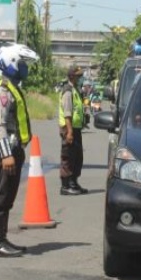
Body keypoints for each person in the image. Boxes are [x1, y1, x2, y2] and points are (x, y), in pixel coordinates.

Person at [0, 43, 39, 258]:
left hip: (13, 151)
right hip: (3, 152)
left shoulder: (13, 87)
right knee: (0, 196)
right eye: (23, 64)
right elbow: (0, 126)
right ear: (12, 63)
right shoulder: (2, 90)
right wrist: (7, 154)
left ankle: (2, 238)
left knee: (8, 196)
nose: (26, 68)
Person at [59, 64, 88, 196]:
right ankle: (66, 185)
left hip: (76, 129)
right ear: (72, 76)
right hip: (68, 129)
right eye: (78, 76)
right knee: (68, 157)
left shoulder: (75, 90)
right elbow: (67, 114)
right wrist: (69, 132)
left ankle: (74, 182)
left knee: (77, 157)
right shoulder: (68, 91)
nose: (80, 78)